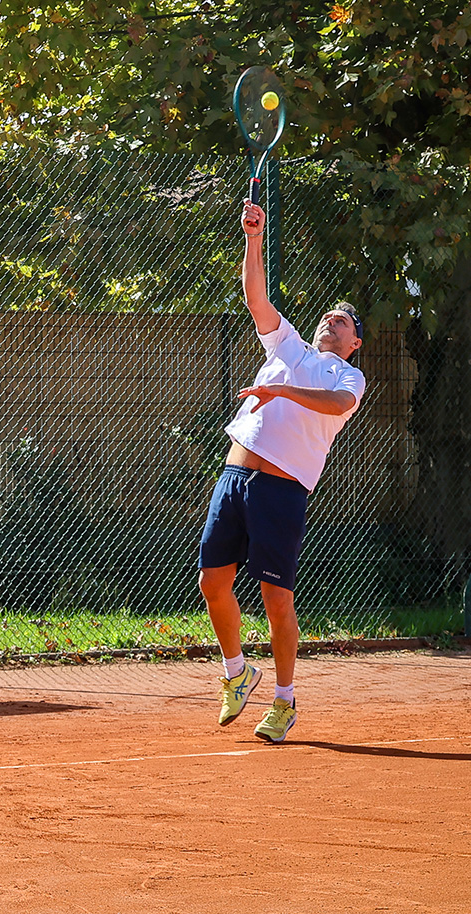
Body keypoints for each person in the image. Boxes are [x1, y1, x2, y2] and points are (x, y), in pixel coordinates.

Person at [198, 201, 366, 744]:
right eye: (328, 316)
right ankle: (236, 672)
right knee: (212, 582)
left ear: (354, 343)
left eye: (343, 321)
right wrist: (253, 238)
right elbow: (257, 300)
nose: (331, 321)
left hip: (282, 489)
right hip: (234, 478)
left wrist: (282, 390)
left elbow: (336, 404)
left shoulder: (348, 376)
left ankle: (284, 700)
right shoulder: (288, 345)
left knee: (276, 599)